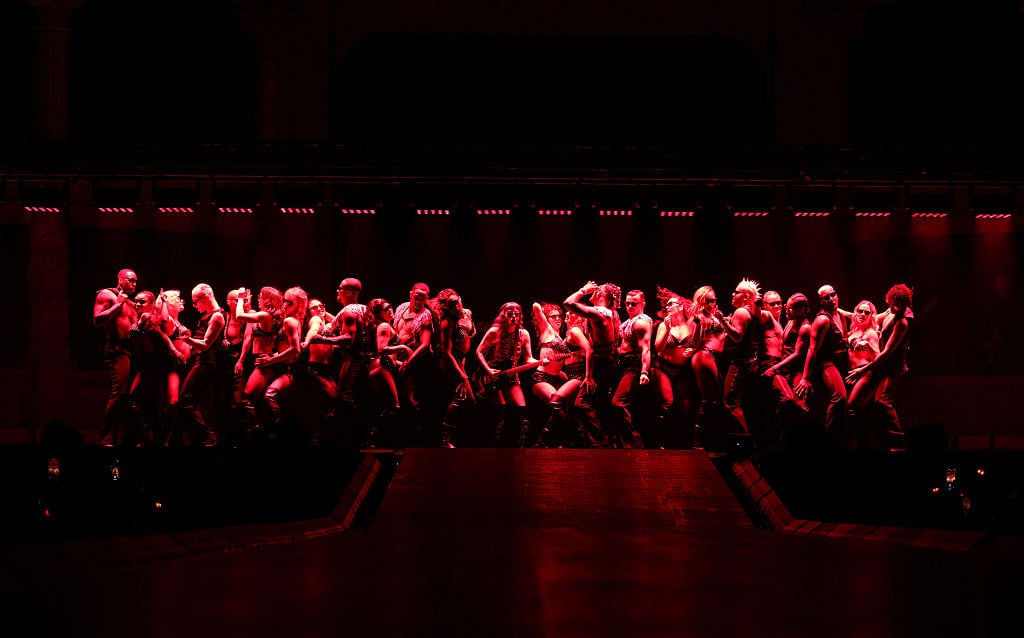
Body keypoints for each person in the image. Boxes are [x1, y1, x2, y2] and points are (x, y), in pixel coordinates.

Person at [846, 284, 914, 450]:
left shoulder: (902, 322)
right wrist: (839, 312)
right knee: (872, 406)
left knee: (882, 401)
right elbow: (867, 315)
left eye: (896, 305)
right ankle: (878, 442)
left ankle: (899, 444)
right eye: (890, 304)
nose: (891, 308)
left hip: (892, 366)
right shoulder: (892, 311)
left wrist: (863, 369)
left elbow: (886, 352)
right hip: (883, 366)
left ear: (905, 304)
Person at [564, 281, 621, 448]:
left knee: (581, 403)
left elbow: (568, 303)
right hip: (607, 363)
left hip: (602, 365)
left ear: (602, 295)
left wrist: (583, 290)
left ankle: (601, 441)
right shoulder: (611, 313)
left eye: (596, 291)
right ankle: (607, 441)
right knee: (601, 402)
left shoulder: (599, 314)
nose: (592, 293)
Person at [168, 283, 226, 446]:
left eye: (195, 301)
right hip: (200, 362)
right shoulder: (208, 315)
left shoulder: (217, 316)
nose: (194, 306)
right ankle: (176, 441)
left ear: (206, 296)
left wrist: (186, 339)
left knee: (186, 401)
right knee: (185, 402)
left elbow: (206, 344)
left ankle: (209, 438)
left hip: (206, 363)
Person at [475, 302, 537, 447]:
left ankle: (517, 446)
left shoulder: (523, 334)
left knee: (520, 409)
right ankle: (494, 446)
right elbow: (479, 352)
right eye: (510, 313)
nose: (514, 316)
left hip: (510, 376)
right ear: (504, 315)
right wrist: (488, 370)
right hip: (492, 375)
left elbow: (528, 358)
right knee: (500, 411)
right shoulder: (494, 332)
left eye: (517, 313)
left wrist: (541, 362)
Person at [794, 284, 850, 442]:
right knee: (840, 398)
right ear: (821, 301)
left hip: (841, 364)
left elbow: (860, 315)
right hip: (825, 364)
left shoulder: (839, 313)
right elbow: (812, 350)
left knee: (847, 406)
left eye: (833, 294)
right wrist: (806, 377)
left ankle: (842, 442)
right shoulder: (823, 320)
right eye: (826, 297)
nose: (831, 299)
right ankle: (826, 440)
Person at [93, 268, 139, 446]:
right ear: (121, 280)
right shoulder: (108, 295)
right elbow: (97, 319)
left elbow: (134, 329)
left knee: (132, 397)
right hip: (117, 351)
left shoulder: (132, 302)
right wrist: (118, 304)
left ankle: (131, 438)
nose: (134, 284)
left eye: (136, 281)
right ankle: (106, 439)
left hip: (132, 352)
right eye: (131, 280)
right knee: (119, 394)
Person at [607, 289, 658, 449]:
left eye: (633, 303)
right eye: (627, 303)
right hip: (623, 365)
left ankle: (633, 444)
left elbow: (646, 348)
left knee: (618, 403)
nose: (629, 306)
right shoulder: (629, 321)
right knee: (615, 403)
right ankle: (623, 443)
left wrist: (643, 371)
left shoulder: (641, 322)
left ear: (642, 304)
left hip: (634, 365)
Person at [653, 288, 697, 448]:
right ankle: (661, 441)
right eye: (667, 305)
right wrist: (667, 327)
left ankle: (679, 442)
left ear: (681, 306)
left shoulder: (690, 325)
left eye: (672, 304)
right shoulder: (664, 325)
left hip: (683, 370)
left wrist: (693, 350)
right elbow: (658, 347)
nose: (668, 307)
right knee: (667, 403)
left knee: (685, 405)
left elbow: (698, 343)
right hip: (663, 367)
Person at [719, 279, 763, 436]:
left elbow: (737, 336)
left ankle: (746, 441)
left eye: (736, 292)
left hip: (739, 365)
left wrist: (721, 320)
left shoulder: (741, 312)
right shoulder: (748, 312)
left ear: (745, 296)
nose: (732, 294)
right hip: (746, 364)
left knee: (731, 402)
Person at [690, 285, 727, 449]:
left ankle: (709, 441)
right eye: (708, 301)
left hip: (715, 357)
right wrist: (698, 326)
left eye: (714, 300)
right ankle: (699, 443)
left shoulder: (717, 316)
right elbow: (695, 343)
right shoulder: (698, 317)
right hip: (704, 355)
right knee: (708, 400)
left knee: (715, 399)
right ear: (701, 301)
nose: (711, 304)